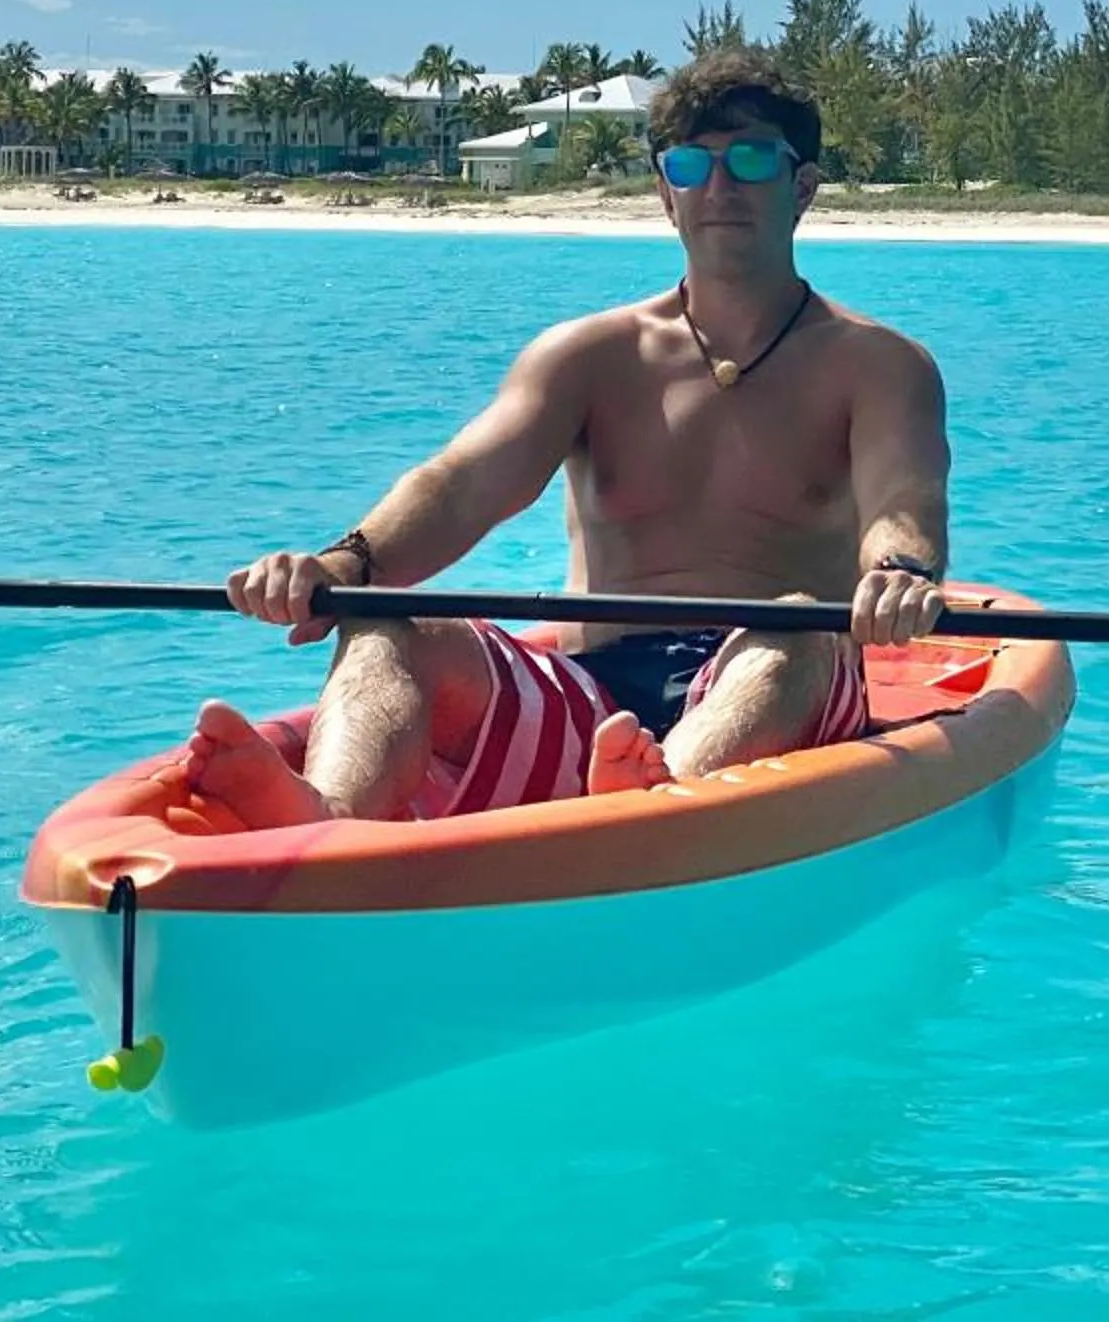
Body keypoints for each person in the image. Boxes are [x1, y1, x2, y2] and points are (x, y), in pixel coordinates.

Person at [174, 45, 954, 826]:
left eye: (750, 161)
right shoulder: (587, 356)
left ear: (803, 188)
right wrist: (349, 560)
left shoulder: (878, 365)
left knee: (791, 625)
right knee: (383, 617)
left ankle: (643, 807)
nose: (718, 187)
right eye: (690, 165)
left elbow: (903, 497)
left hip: (784, 683)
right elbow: (462, 485)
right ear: (664, 193)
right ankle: (329, 822)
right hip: (593, 701)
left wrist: (897, 570)